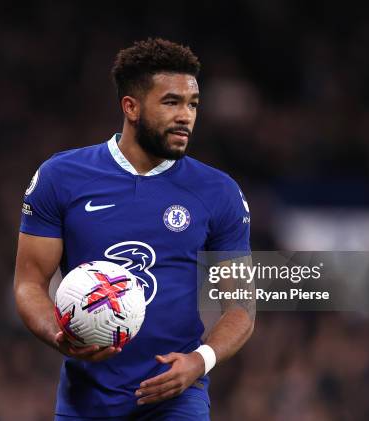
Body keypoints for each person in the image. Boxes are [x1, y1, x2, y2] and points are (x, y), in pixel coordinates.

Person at [14, 38, 255, 420]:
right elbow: (28, 283)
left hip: (177, 399)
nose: (186, 115)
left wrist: (200, 360)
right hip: (85, 399)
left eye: (193, 104)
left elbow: (241, 306)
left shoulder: (219, 192)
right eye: (171, 102)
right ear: (131, 107)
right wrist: (57, 335)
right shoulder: (61, 177)